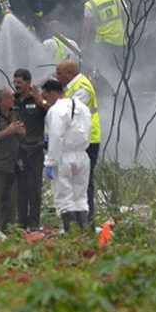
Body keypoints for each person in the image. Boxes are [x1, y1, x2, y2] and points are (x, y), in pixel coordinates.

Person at [41, 79, 92, 232]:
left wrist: (51, 162)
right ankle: (84, 232)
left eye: (46, 97)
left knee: (64, 197)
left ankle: (71, 232)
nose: (46, 101)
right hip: (82, 155)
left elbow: (56, 135)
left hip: (63, 156)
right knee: (81, 197)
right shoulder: (82, 107)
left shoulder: (57, 110)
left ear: (53, 93)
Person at [56, 59, 101, 226]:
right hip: (79, 142)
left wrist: (45, 103)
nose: (57, 76)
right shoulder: (72, 87)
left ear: (70, 73)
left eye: (60, 73)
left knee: (84, 183)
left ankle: (87, 223)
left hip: (89, 141)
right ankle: (79, 223)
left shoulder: (82, 88)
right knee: (77, 183)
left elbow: (68, 112)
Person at [13, 68, 49, 231]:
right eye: (15, 82)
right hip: (18, 150)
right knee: (20, 189)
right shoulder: (13, 101)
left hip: (35, 150)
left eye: (20, 82)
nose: (16, 85)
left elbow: (52, 113)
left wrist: (40, 99)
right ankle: (21, 223)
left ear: (28, 82)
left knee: (34, 188)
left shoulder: (37, 101)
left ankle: (34, 223)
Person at [0, 87, 23, 231]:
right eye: (9, 98)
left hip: (12, 163)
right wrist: (7, 131)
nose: (13, 100)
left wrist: (21, 131)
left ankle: (8, 228)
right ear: (0, 101)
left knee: (10, 200)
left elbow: (21, 130)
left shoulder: (14, 113)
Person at [81, 0, 129, 75]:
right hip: (121, 41)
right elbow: (128, 18)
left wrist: (83, 46)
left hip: (103, 44)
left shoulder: (90, 5)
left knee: (105, 70)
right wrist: (130, 35)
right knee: (120, 70)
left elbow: (86, 28)